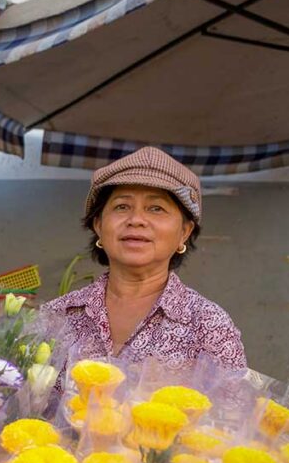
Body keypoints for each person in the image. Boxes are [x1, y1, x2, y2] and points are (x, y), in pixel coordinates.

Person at [42, 147, 246, 370]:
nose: (136, 219)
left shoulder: (210, 326)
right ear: (98, 225)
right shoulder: (57, 315)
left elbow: (233, 404)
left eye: (156, 208)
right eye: (122, 206)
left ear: (185, 232)